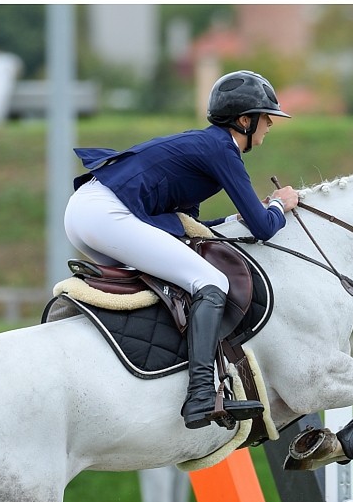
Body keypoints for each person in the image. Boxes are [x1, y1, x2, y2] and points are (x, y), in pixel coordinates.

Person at [64, 70, 300, 430]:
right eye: (266, 118)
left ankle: (153, 375)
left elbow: (189, 227)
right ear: (244, 120)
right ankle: (202, 394)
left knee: (172, 284)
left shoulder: (204, 146)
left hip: (87, 212)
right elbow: (264, 228)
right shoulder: (222, 148)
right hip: (105, 213)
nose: (270, 126)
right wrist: (279, 205)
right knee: (211, 283)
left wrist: (233, 220)